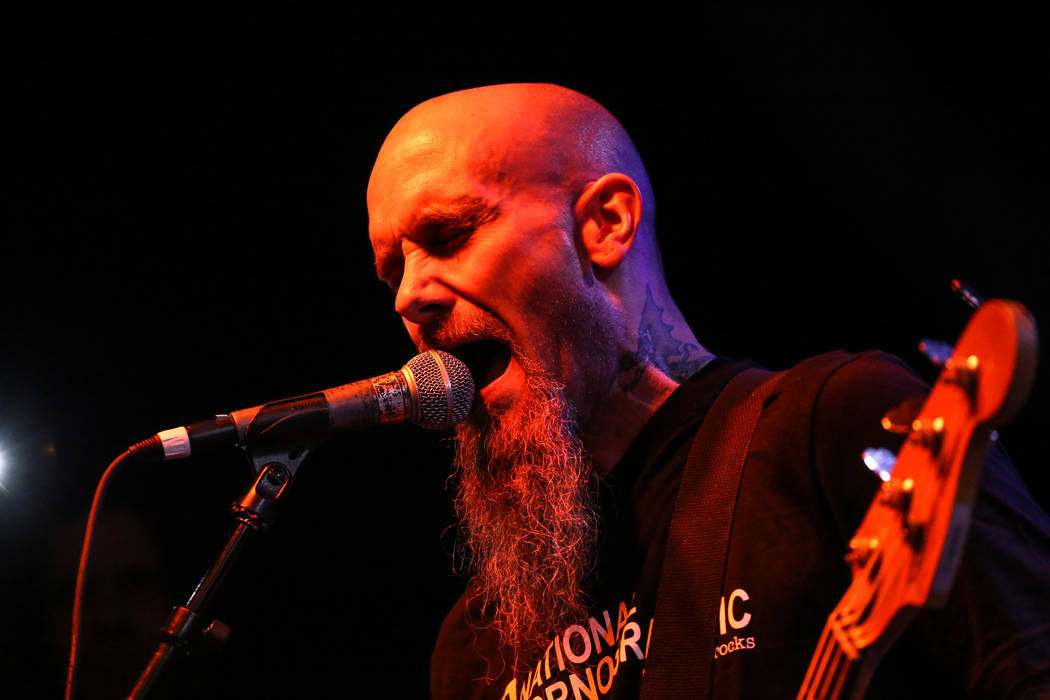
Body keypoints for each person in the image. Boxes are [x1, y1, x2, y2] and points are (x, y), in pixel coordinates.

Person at [366, 83, 1050, 699]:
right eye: (391, 269)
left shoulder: (832, 427)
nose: (409, 296)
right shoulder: (478, 647)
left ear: (606, 223)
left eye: (450, 235)